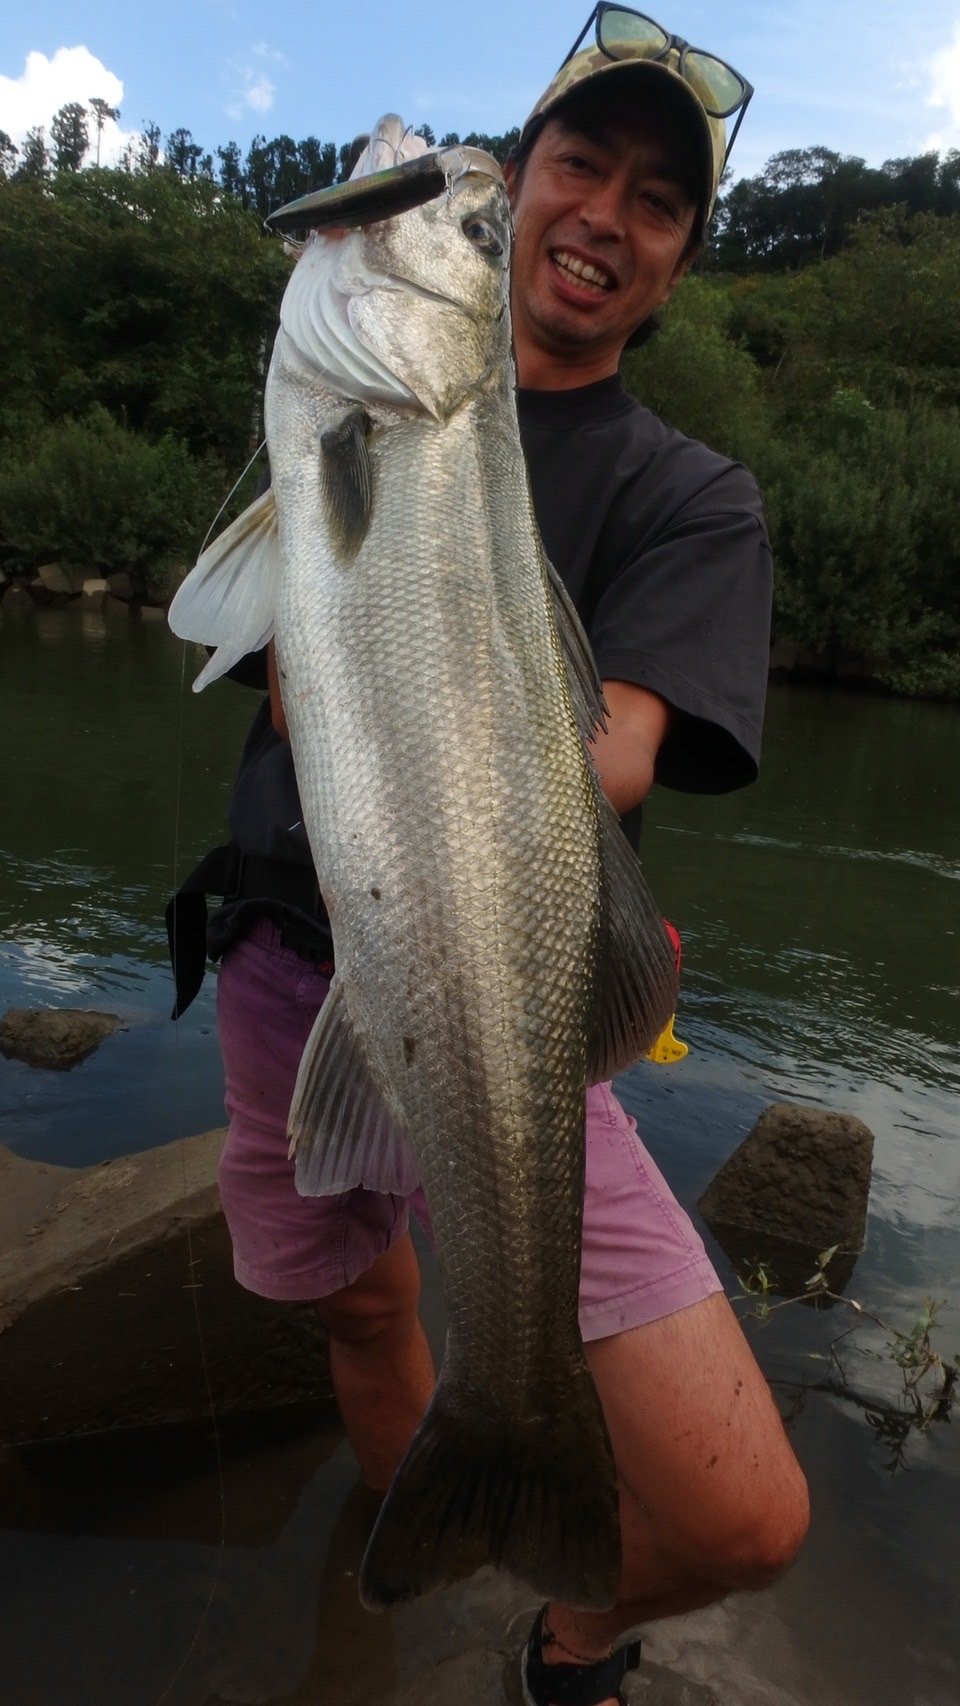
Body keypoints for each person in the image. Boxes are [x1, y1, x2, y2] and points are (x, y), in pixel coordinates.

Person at [170, 9, 809, 1704]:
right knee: (372, 1319)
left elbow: (617, 756)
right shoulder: (361, 410)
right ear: (523, 187)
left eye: (657, 200)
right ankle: (427, 1540)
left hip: (504, 997)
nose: (604, 212)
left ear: (675, 266)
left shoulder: (694, 497)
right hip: (285, 965)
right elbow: (282, 674)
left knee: (749, 1516)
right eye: (573, 165)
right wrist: (321, 429)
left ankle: (562, 1616)